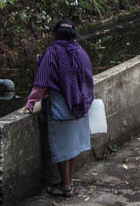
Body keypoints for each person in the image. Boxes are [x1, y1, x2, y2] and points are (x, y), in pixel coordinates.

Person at [22, 19, 94, 198]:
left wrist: (31, 102)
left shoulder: (53, 52)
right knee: (73, 146)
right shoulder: (80, 51)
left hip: (61, 108)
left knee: (63, 147)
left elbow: (42, 81)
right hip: (79, 106)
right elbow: (88, 78)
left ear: (56, 34)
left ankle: (66, 186)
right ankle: (69, 181)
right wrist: (83, 98)